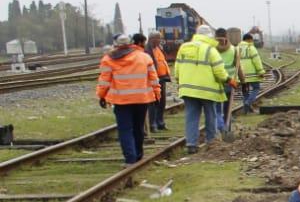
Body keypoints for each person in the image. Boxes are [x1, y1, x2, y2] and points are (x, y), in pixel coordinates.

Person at [96, 33, 160, 165]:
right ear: (131, 43)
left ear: (115, 45)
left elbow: (104, 82)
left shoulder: (108, 59)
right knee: (138, 128)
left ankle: (130, 158)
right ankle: (139, 155)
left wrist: (102, 96)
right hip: (141, 99)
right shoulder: (144, 57)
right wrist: (157, 94)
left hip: (121, 101)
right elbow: (153, 78)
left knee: (125, 129)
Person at [173, 24, 230, 153]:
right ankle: (211, 142)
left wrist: (181, 82)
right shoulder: (210, 50)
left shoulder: (184, 47)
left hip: (188, 90)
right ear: (209, 36)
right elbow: (219, 71)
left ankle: (191, 144)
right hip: (207, 91)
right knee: (211, 116)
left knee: (191, 117)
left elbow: (177, 70)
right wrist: (228, 79)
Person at [214, 29, 239, 134]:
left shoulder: (212, 49)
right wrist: (243, 81)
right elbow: (239, 68)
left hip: (216, 83)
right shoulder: (233, 49)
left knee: (217, 109)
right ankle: (226, 129)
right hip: (229, 82)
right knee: (228, 108)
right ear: (226, 36)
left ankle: (220, 127)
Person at [145, 33, 170, 131]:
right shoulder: (147, 50)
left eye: (160, 38)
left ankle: (160, 122)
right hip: (153, 79)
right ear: (152, 39)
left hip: (162, 78)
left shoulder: (159, 48)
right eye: (158, 38)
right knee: (154, 102)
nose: (160, 40)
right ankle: (153, 124)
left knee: (162, 102)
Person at [236, 32, 265, 113]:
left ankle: (246, 111)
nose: (252, 42)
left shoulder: (237, 48)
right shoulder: (251, 48)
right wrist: (261, 71)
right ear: (249, 40)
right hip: (252, 74)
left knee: (245, 91)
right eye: (251, 40)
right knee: (256, 88)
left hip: (242, 75)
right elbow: (256, 60)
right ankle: (248, 103)